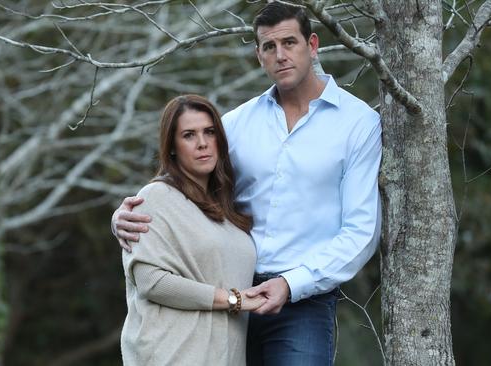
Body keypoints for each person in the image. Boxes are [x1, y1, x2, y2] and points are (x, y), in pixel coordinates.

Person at [114, 3, 382, 366]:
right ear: (259, 55)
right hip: (230, 292)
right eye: (269, 47)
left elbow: (361, 231)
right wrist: (126, 215)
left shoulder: (357, 123)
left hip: (303, 300)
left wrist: (291, 284)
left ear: (313, 44)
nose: (280, 55)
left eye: (290, 43)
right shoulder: (236, 123)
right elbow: (192, 189)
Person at [120, 94, 267, 366]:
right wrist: (233, 299)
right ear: (172, 146)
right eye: (189, 135)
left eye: (209, 132)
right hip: (173, 356)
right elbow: (152, 282)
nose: (202, 143)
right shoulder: (155, 198)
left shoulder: (226, 210)